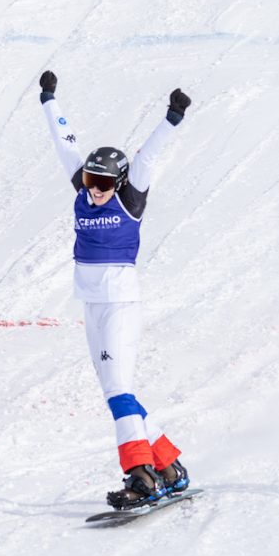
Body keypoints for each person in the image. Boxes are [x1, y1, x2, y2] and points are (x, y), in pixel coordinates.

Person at [38, 70, 192, 509]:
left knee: (118, 393)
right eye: (91, 181)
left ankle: (141, 476)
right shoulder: (84, 192)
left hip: (121, 301)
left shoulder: (130, 198)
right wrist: (50, 100)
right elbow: (64, 144)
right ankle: (168, 465)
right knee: (117, 390)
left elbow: (150, 155)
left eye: (105, 183)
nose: (97, 190)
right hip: (91, 303)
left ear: (120, 182)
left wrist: (173, 116)